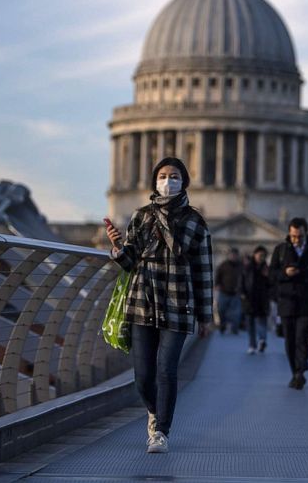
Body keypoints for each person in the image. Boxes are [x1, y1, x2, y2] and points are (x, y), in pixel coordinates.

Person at [105, 157, 213, 455]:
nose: (168, 181)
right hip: (143, 303)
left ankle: (161, 431)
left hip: (178, 306)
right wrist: (117, 249)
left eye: (174, 175)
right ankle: (153, 411)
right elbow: (130, 264)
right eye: (163, 175)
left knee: (167, 370)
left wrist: (206, 316)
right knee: (143, 377)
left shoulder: (195, 221)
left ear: (184, 181)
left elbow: (204, 272)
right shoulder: (141, 217)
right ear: (155, 181)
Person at [270, 217, 308, 389]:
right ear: (289, 234)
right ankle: (295, 371)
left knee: (302, 336)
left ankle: (301, 369)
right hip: (287, 301)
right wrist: (285, 273)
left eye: (300, 236)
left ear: (306, 233)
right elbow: (272, 275)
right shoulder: (280, 250)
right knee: (290, 339)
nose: (296, 240)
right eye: (293, 236)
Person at [241, 245, 271, 354]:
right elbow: (242, 281)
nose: (262, 257)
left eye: (264, 256)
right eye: (260, 255)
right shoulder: (247, 267)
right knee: (250, 324)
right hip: (249, 299)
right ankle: (252, 345)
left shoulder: (267, 268)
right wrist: (242, 293)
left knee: (262, 322)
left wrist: (268, 276)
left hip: (262, 300)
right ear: (255, 255)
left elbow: (272, 284)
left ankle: (262, 340)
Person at [215, 248, 243, 334]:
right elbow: (218, 276)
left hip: (236, 293)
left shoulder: (241, 266)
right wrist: (217, 285)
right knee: (221, 310)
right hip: (224, 292)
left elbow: (245, 278)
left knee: (236, 313)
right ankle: (222, 325)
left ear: (237, 256)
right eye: (232, 255)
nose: (234, 257)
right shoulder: (223, 265)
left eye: (235, 255)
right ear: (229, 255)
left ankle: (235, 328)